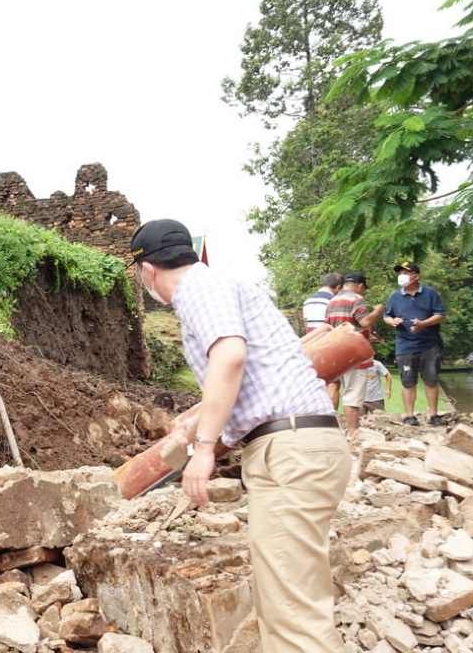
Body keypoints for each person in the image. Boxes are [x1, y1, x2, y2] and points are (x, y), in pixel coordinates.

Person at [129, 219, 350, 653]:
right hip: (305, 446)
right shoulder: (223, 286)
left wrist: (205, 449)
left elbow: (229, 357)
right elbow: (251, 375)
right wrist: (198, 421)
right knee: (291, 602)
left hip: (290, 452)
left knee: (294, 620)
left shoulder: (197, 290)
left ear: (147, 269)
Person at [383, 262, 448, 426]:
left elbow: (440, 315)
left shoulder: (431, 293)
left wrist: (423, 323)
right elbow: (386, 316)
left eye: (406, 272)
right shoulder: (395, 296)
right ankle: (409, 416)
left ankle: (433, 415)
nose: (401, 276)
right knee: (408, 381)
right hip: (405, 345)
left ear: (416, 276)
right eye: (400, 273)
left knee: (431, 380)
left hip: (430, 345)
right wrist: (392, 321)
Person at [324, 272, 384, 440]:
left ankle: (335, 430)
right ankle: (353, 432)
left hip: (336, 354)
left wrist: (367, 335)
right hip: (354, 356)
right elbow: (365, 321)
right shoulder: (356, 299)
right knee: (353, 395)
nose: (363, 292)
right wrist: (378, 311)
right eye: (364, 288)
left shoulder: (332, 301)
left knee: (337, 390)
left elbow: (333, 327)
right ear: (359, 285)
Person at [304, 272, 345, 408]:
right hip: (329, 344)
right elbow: (336, 325)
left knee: (314, 382)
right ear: (338, 287)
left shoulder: (308, 301)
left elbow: (306, 325)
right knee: (333, 382)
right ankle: (332, 419)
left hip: (310, 345)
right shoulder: (334, 301)